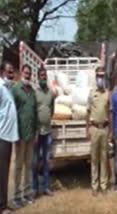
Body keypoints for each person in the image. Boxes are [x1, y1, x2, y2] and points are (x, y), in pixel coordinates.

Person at [11, 64, 37, 209]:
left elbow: (34, 114)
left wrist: (35, 133)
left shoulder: (32, 92)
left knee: (29, 165)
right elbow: (12, 112)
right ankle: (16, 195)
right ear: (21, 73)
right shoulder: (16, 90)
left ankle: (27, 193)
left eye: (29, 74)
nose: (27, 76)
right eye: (25, 73)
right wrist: (15, 133)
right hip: (20, 135)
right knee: (19, 166)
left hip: (30, 135)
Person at [86, 67, 112, 197]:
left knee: (104, 158)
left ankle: (104, 185)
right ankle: (94, 186)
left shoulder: (108, 93)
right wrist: (87, 130)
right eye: (98, 76)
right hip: (94, 129)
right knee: (94, 159)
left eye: (102, 76)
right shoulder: (91, 93)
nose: (100, 78)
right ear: (95, 78)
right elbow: (88, 112)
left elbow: (109, 112)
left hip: (105, 129)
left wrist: (111, 131)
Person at [32, 67, 55, 199]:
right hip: (37, 132)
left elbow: (52, 109)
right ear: (38, 77)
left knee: (46, 161)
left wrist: (47, 120)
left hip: (47, 132)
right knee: (35, 162)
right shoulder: (35, 93)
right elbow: (34, 112)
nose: (43, 78)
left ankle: (46, 187)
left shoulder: (50, 92)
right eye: (41, 76)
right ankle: (35, 188)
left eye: (44, 76)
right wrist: (35, 131)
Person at [0, 63, 19, 214]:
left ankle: (4, 202)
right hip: (1, 135)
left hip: (8, 135)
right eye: (9, 71)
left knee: (5, 170)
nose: (11, 74)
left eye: (12, 71)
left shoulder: (9, 88)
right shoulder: (0, 87)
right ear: (2, 72)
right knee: (2, 171)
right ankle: (2, 206)